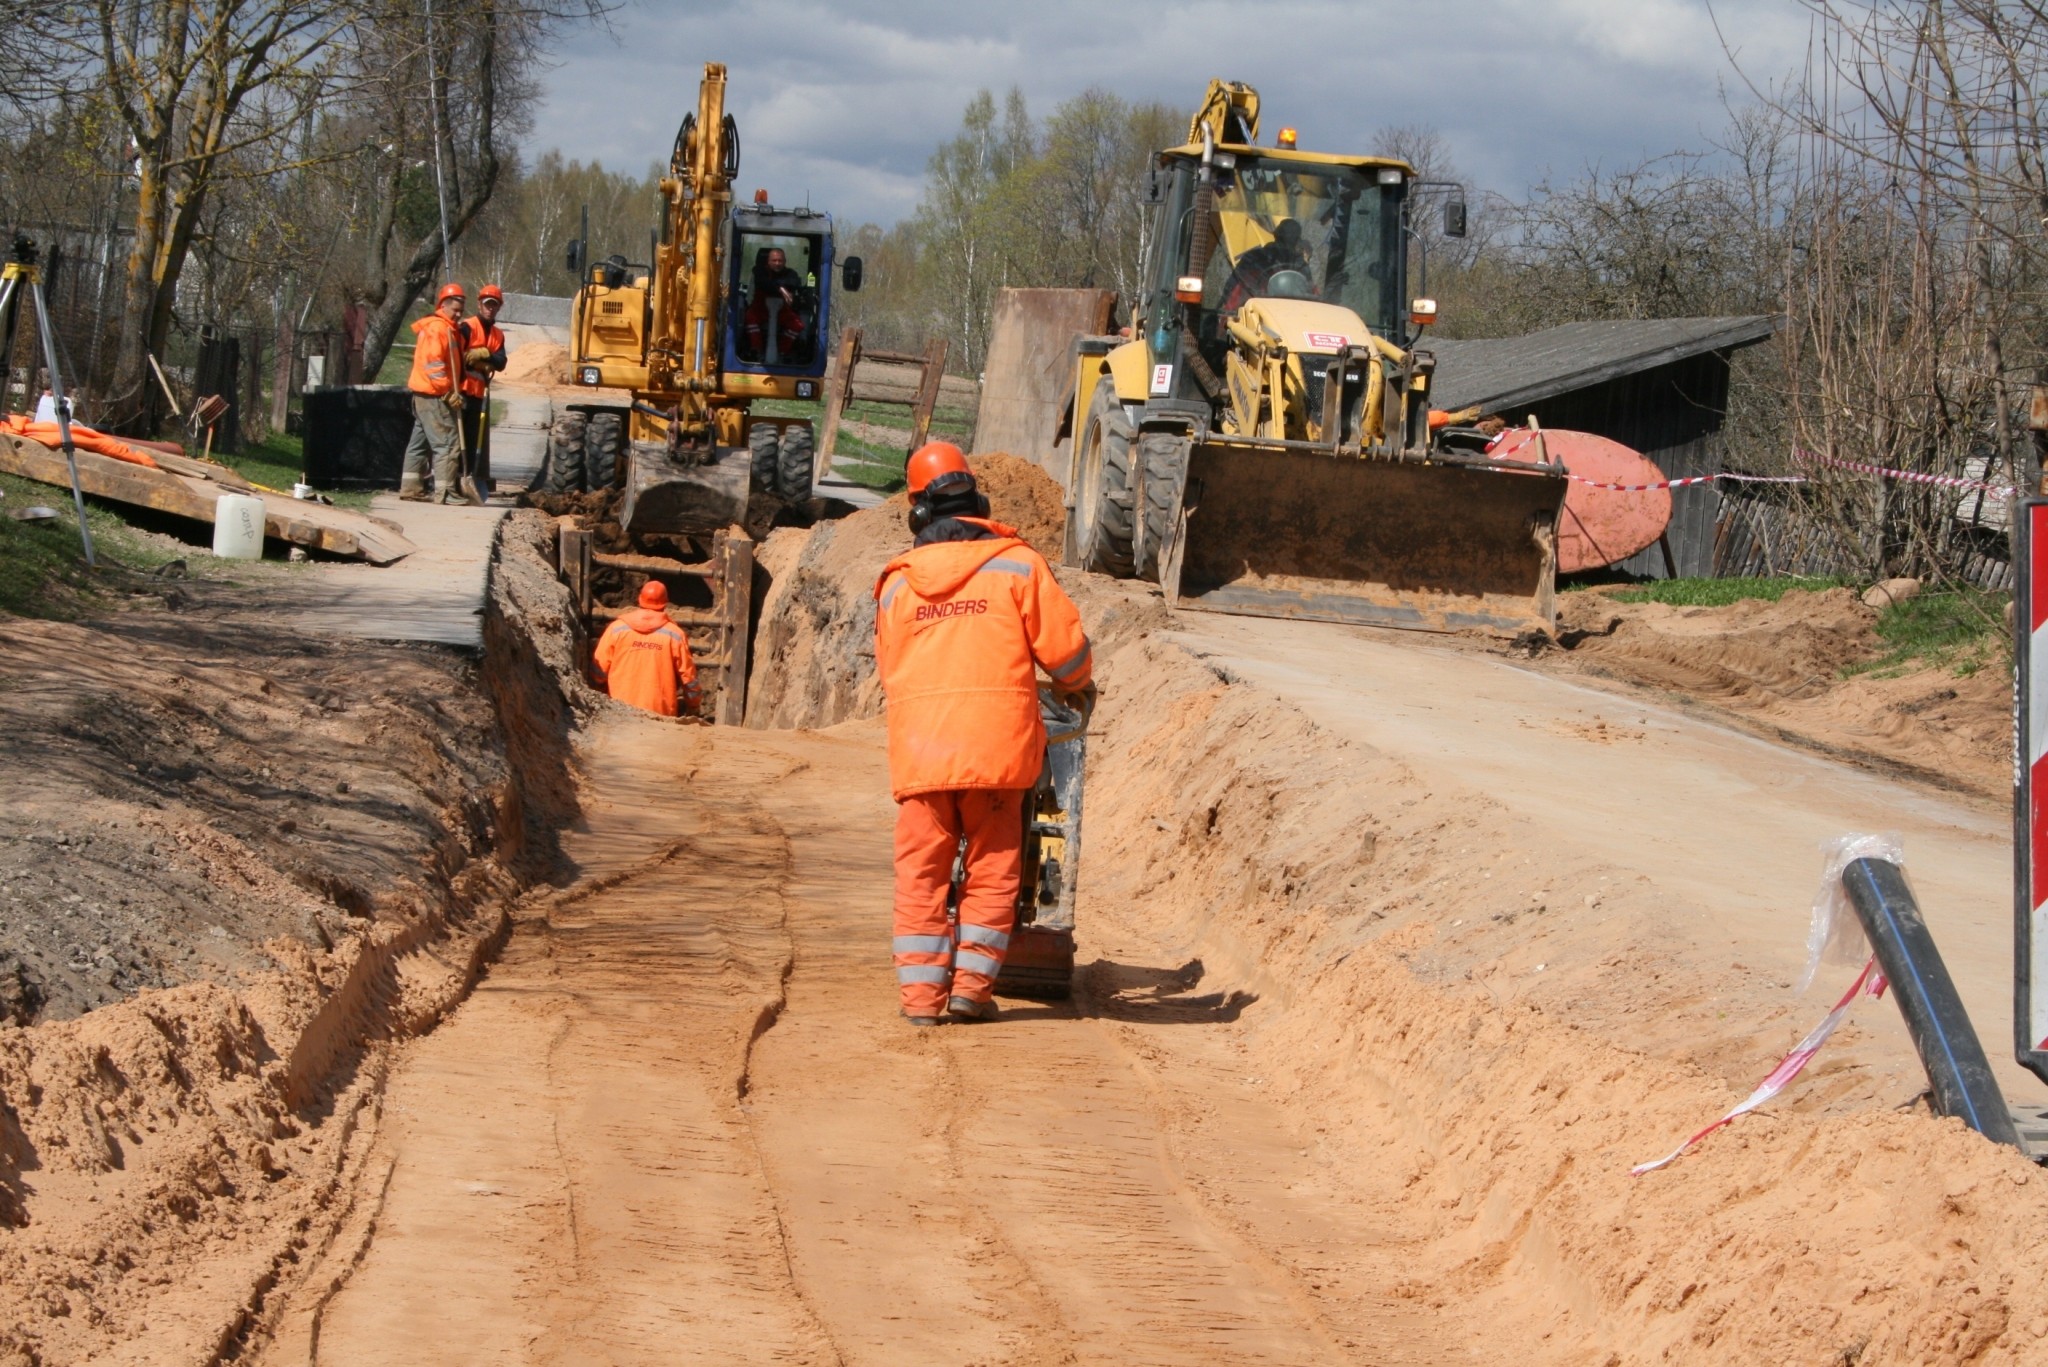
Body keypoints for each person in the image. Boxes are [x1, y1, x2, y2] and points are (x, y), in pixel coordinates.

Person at [872, 442, 1096, 1026]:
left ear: (917, 508)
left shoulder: (895, 584)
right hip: (997, 752)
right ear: (977, 496)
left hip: (922, 754)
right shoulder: (1019, 565)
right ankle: (972, 991)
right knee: (996, 867)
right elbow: (1068, 659)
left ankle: (920, 1002)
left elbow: (888, 669)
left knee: (921, 873)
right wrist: (1075, 684)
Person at [399, 283, 468, 502]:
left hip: (423, 396)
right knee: (448, 444)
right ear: (442, 306)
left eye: (460, 310)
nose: (458, 314)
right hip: (434, 396)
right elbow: (434, 365)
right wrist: (447, 391)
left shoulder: (441, 327)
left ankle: (411, 488)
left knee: (418, 445)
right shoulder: (438, 328)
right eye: (454, 310)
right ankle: (446, 492)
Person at [592, 579, 700, 717]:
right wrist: (694, 705)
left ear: (639, 599)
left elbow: (598, 670)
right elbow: (688, 677)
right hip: (660, 713)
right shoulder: (675, 635)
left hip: (619, 709)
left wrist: (598, 690)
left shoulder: (616, 629)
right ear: (665, 602)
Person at [457, 283, 508, 503]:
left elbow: (501, 361)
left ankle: (471, 477)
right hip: (461, 392)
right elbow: (460, 356)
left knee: (473, 439)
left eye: (494, 305)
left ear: (498, 308)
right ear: (479, 304)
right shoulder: (466, 327)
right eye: (487, 304)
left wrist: (484, 354)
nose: (490, 309)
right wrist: (479, 360)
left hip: (480, 395)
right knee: (456, 440)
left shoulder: (498, 335)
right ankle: (455, 479)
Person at [1219, 217, 1312, 315]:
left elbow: (1311, 291)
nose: (1286, 245)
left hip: (1292, 314)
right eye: (1287, 238)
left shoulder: (1300, 265)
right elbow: (1233, 288)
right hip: (1255, 312)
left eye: (1292, 239)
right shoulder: (1255, 259)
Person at [740, 246, 809, 362]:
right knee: (749, 318)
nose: (777, 263)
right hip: (760, 310)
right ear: (768, 261)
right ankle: (756, 350)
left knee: (797, 325)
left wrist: (779, 286)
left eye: (780, 261)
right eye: (774, 260)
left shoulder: (791, 274)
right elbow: (763, 283)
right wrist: (780, 288)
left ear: (785, 262)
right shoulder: (759, 272)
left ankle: (782, 352)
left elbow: (793, 283)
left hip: (783, 310)